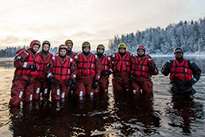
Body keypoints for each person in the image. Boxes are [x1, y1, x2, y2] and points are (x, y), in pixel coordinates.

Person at [10, 40, 40, 106]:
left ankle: (27, 114)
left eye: (38, 48)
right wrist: (29, 66)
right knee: (17, 97)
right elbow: (17, 63)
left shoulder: (35, 56)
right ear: (31, 46)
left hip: (30, 80)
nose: (36, 49)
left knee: (29, 99)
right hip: (21, 79)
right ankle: (14, 113)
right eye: (35, 47)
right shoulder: (25, 53)